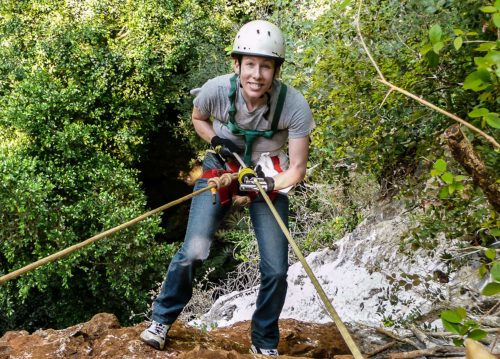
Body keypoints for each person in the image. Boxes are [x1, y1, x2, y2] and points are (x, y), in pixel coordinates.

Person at [140, 19, 314, 356]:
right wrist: (217, 140)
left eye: (266, 66)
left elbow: (297, 168)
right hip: (222, 167)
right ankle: (161, 320)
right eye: (250, 64)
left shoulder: (293, 105)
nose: (257, 74)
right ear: (237, 64)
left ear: (276, 70)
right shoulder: (216, 90)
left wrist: (265, 182)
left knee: (276, 269)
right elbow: (198, 118)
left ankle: (264, 342)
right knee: (194, 250)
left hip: (268, 173)